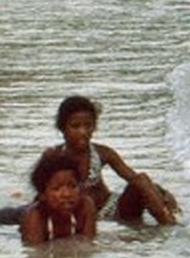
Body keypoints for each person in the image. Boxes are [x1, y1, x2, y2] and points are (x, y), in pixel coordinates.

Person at [45, 95, 178, 226]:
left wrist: (162, 193)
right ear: (62, 128)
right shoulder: (53, 157)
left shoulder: (103, 153)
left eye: (88, 126)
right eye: (75, 126)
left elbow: (135, 179)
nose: (83, 132)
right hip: (81, 216)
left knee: (141, 179)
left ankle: (170, 228)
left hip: (114, 210)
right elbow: (43, 194)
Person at [19, 151, 97, 245]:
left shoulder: (86, 207)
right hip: (8, 218)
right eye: (56, 188)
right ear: (42, 194)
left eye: (72, 186)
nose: (67, 194)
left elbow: (89, 245)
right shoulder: (35, 217)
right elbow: (36, 254)